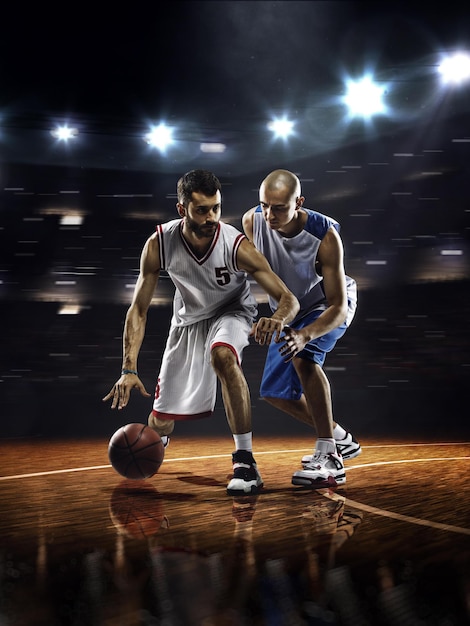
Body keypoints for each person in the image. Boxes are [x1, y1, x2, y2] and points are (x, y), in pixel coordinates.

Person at [103, 169, 299, 495]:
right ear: (182, 209)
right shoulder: (159, 244)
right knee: (160, 421)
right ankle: (156, 441)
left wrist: (278, 318)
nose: (211, 217)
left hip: (232, 313)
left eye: (216, 208)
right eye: (202, 210)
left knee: (223, 356)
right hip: (187, 323)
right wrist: (128, 368)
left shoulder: (236, 244)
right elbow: (138, 309)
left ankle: (245, 462)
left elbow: (288, 300)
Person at [242, 169, 361, 488]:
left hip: (327, 304)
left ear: (300, 203)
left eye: (279, 207)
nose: (270, 214)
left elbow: (337, 306)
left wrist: (305, 334)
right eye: (265, 205)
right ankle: (340, 438)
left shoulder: (325, 236)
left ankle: (330, 456)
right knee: (274, 393)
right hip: (290, 310)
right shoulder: (252, 222)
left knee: (303, 357)